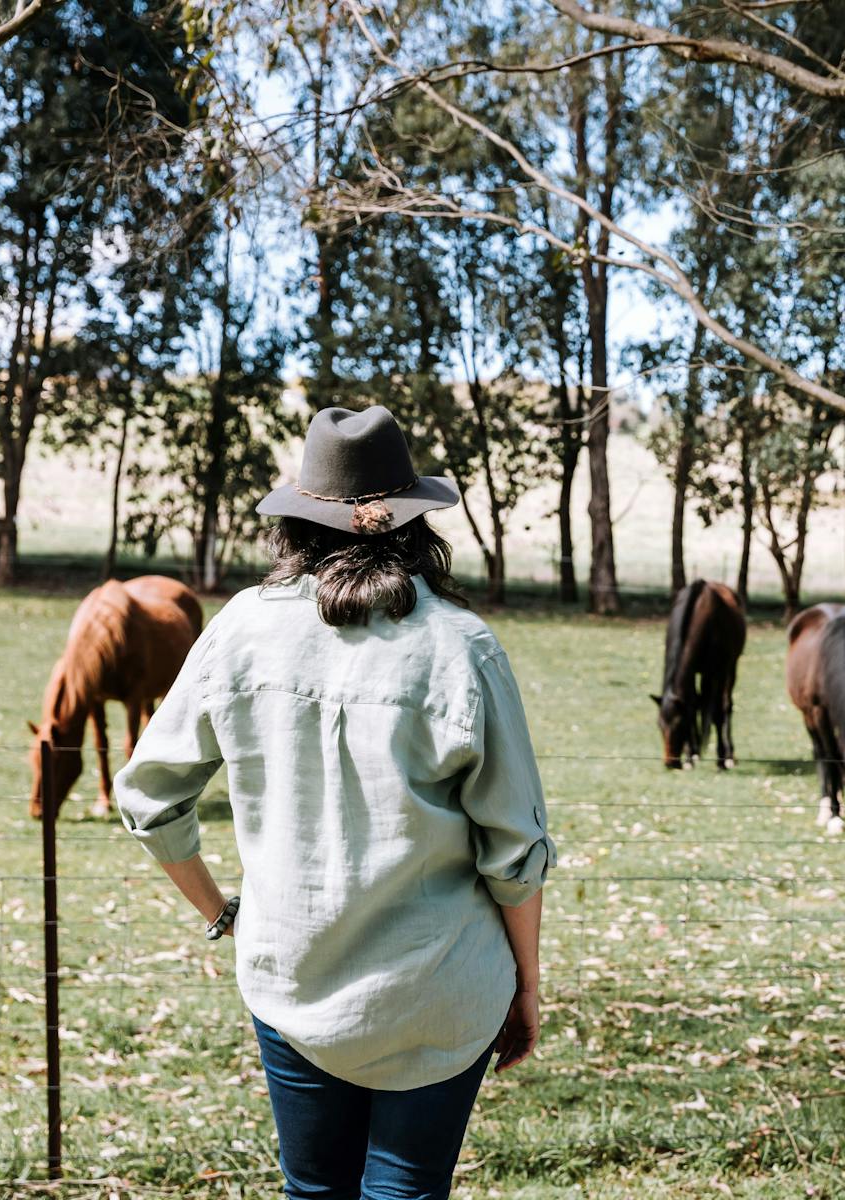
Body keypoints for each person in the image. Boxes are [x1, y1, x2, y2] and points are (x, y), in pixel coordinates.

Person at [116, 405, 555, 1200]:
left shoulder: (240, 630)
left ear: (298, 519)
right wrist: (525, 984)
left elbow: (149, 798)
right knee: (407, 1190)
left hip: (293, 984)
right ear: (415, 520)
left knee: (314, 1190)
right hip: (440, 991)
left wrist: (223, 914)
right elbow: (514, 855)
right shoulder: (463, 646)